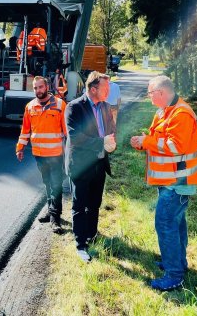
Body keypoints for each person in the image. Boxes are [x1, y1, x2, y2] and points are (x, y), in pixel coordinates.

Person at [130, 75, 197, 291]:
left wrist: (146, 141)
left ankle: (174, 275)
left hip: (178, 182)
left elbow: (176, 146)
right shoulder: (164, 111)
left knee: (165, 223)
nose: (149, 97)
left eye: (150, 93)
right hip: (169, 180)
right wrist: (142, 142)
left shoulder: (181, 113)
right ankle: (177, 263)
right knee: (176, 223)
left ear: (162, 93)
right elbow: (158, 139)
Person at [64, 71, 116, 262]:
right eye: (106, 87)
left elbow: (111, 129)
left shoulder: (105, 107)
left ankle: (92, 234)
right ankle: (80, 244)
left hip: (99, 163)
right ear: (93, 89)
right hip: (81, 164)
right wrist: (102, 142)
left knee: (94, 203)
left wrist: (112, 140)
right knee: (80, 205)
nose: (109, 90)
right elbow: (75, 137)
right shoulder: (74, 107)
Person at [16, 76, 68, 233]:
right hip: (38, 154)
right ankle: (50, 211)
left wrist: (73, 151)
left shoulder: (60, 105)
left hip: (56, 154)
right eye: (35, 88)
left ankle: (55, 219)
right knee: (47, 184)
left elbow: (67, 132)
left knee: (56, 185)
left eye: (40, 87)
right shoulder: (30, 107)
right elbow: (25, 130)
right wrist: (20, 148)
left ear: (47, 87)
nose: (38, 90)